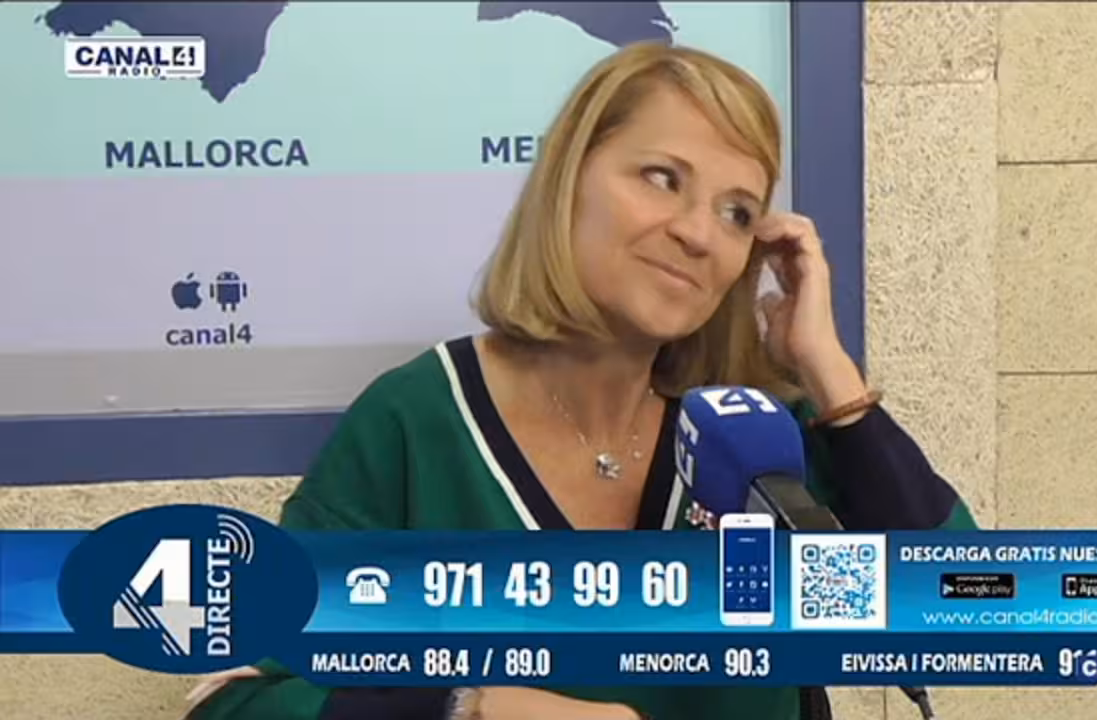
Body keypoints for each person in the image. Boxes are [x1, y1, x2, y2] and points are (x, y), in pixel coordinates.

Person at [184, 41, 978, 720]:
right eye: (662, 177)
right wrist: (471, 706)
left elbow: (961, 607)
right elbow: (236, 700)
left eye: (738, 212)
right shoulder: (418, 422)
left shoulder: (762, 436)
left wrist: (828, 369)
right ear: (571, 181)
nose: (699, 234)